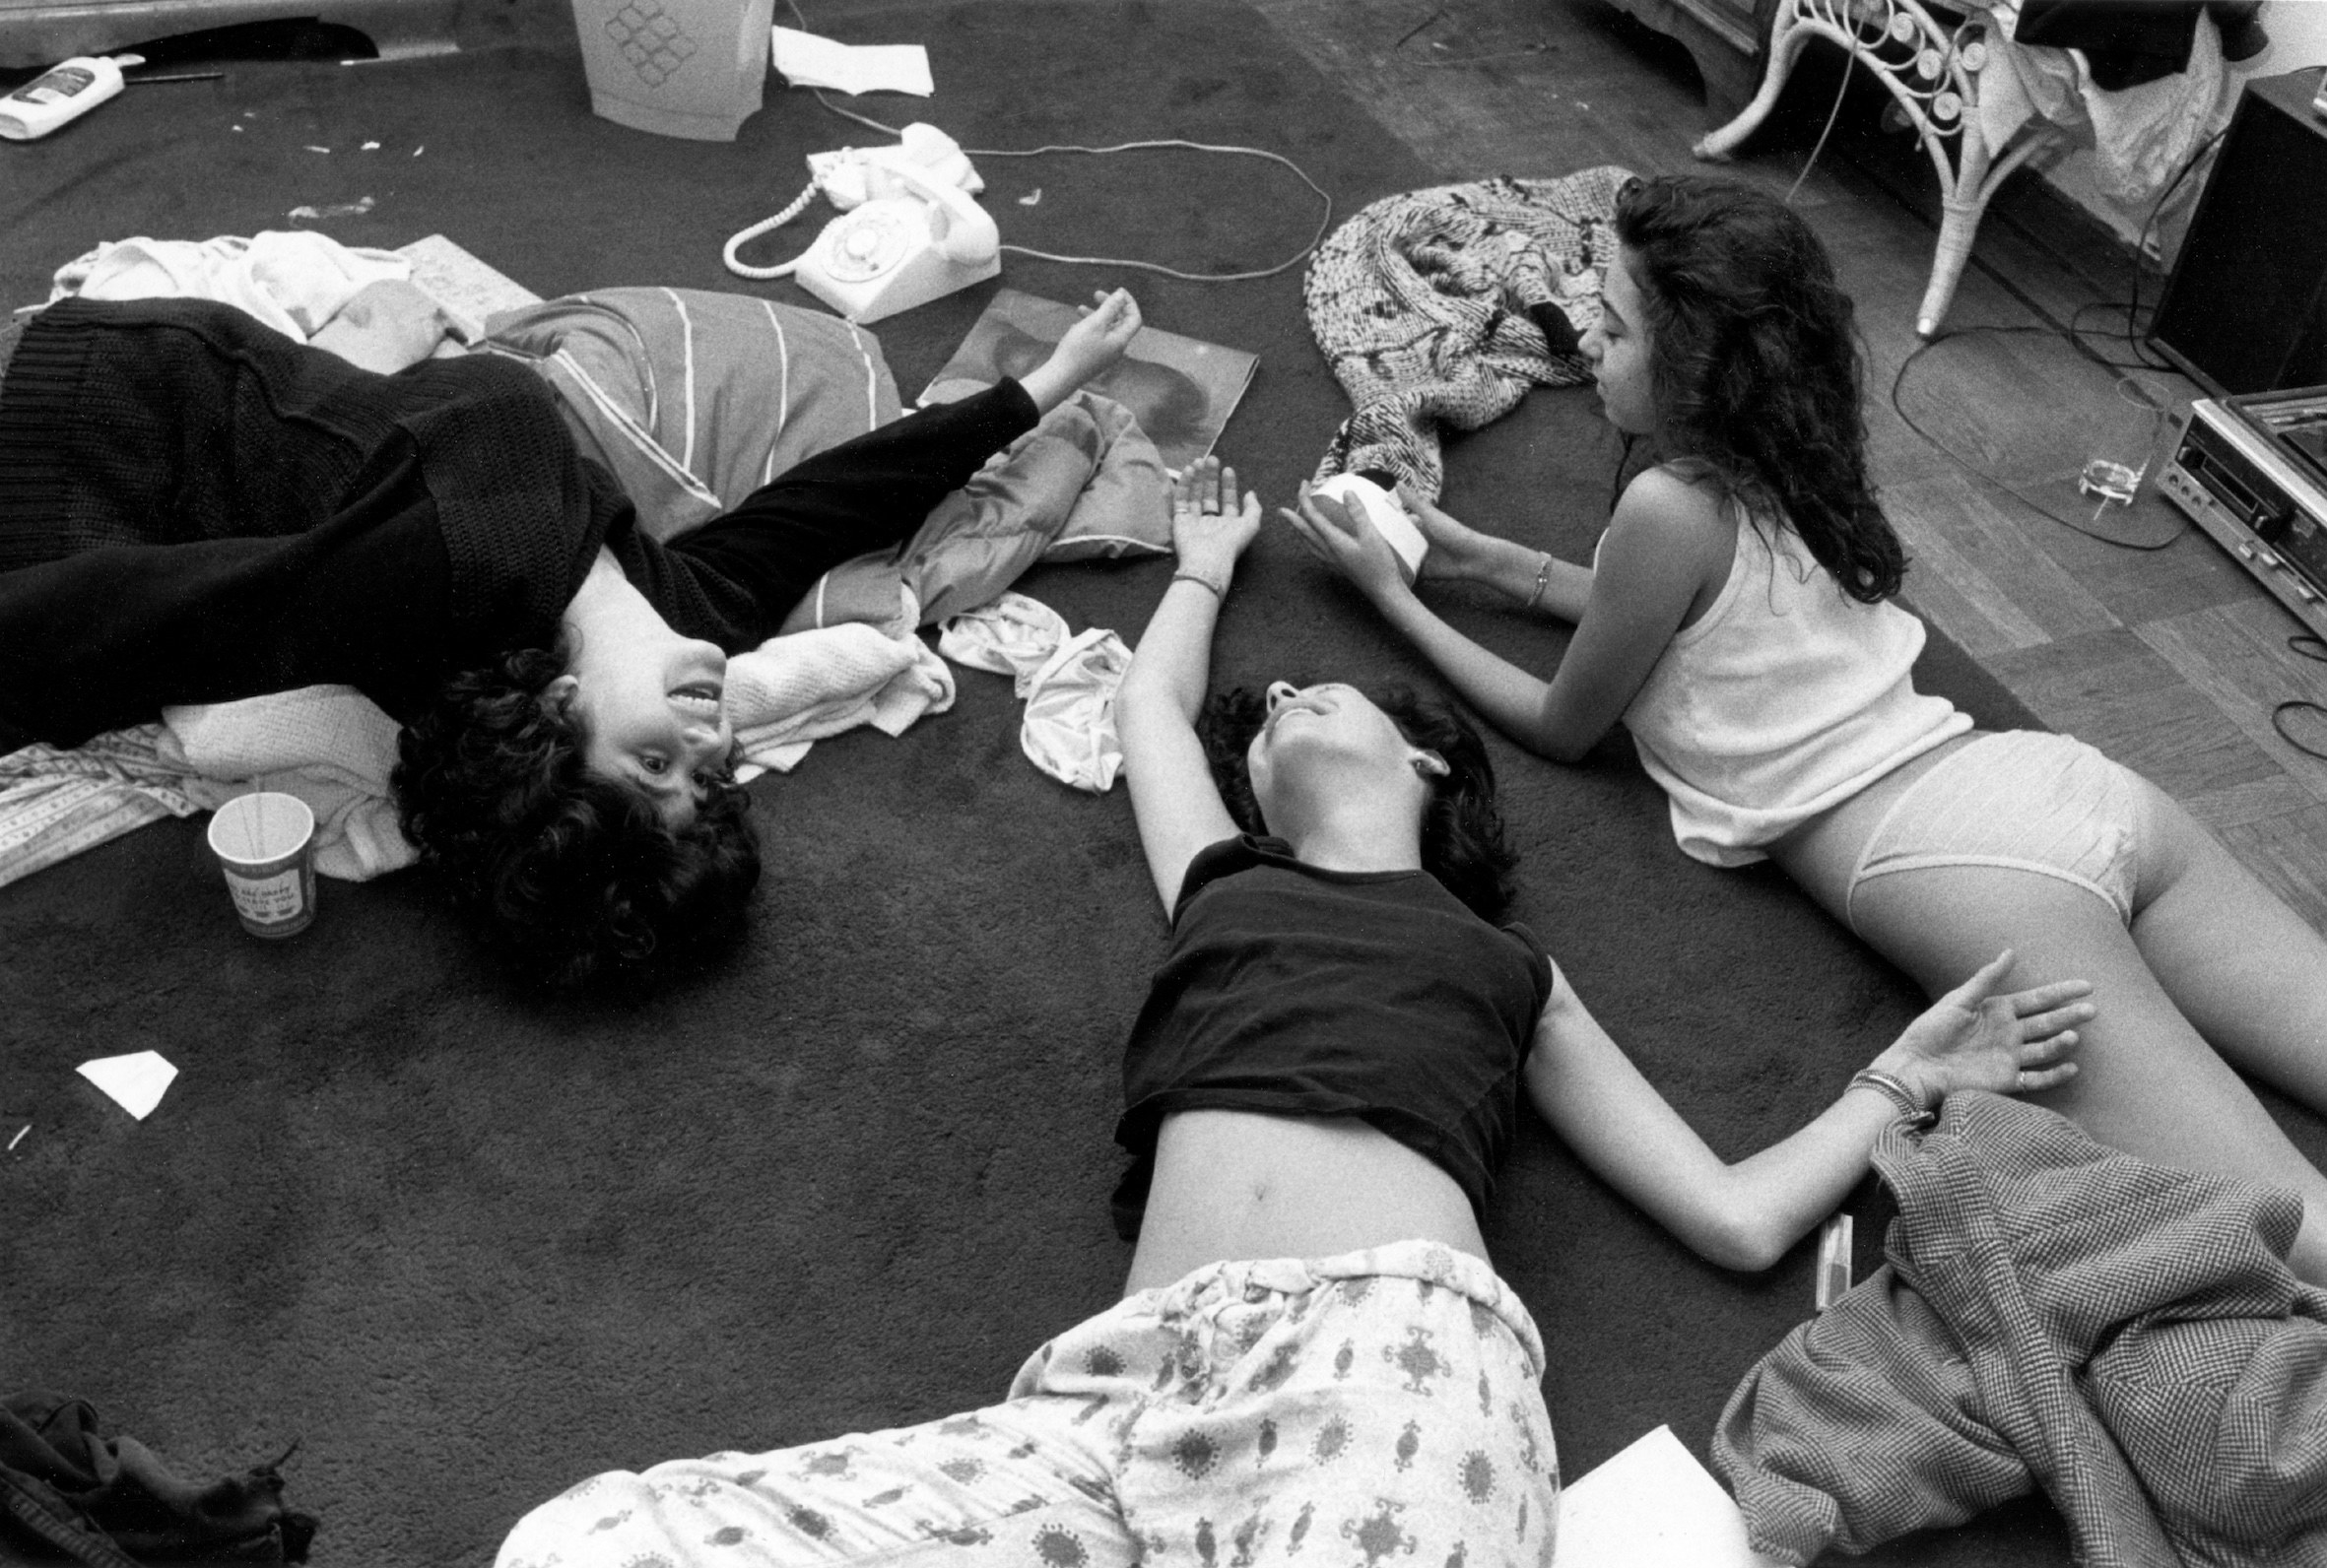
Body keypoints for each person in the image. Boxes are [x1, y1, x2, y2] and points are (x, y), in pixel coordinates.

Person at [493, 457, 2092, 1568]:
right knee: (581, 1538)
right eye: (1260, 730)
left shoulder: (1500, 966)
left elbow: (1735, 1215)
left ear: (1426, 766)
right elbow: (1147, 708)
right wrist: (1199, 566)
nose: (1278, 716)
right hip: (1108, 1405)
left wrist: (1898, 1080)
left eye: (1318, 703)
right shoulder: (1226, 889)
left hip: (1375, 1363)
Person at [1282, 172, 2327, 1281]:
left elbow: (1561, 721)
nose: (1586, 336)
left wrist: (1392, 600)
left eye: (1618, 321)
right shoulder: (1790, 446)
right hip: (2059, 786)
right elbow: (1699, 612)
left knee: (2293, 1229)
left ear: (1693, 361)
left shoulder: (1663, 505)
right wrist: (1485, 558)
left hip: (1975, 870)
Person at [0, 287, 1144, 988]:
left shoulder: (437, 578)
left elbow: (95, 634)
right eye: (710, 772)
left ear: (555, 721)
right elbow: (822, 509)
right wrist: (1036, 389)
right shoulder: (687, 617)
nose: (705, 736)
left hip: (92, 421)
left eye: (654, 763)